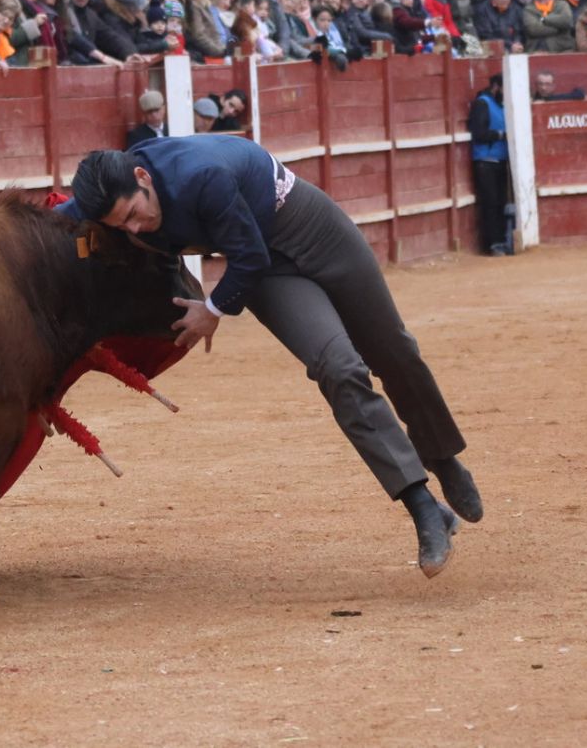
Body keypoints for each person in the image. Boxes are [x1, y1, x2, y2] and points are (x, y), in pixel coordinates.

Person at [61, 135, 481, 576]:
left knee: (393, 349)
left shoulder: (201, 176)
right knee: (337, 367)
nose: (134, 230)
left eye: (133, 214)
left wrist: (213, 309)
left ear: (143, 178)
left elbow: (247, 256)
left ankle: (441, 454)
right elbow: (51, 222)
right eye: (120, 226)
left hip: (307, 226)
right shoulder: (113, 199)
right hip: (265, 273)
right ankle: (423, 507)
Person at [467, 72, 508, 256]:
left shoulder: (499, 104)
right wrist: (501, 135)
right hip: (485, 161)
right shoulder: (482, 103)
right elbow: (479, 133)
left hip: (499, 159)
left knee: (499, 202)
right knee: (491, 203)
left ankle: (499, 240)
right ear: (496, 86)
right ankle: (492, 243)